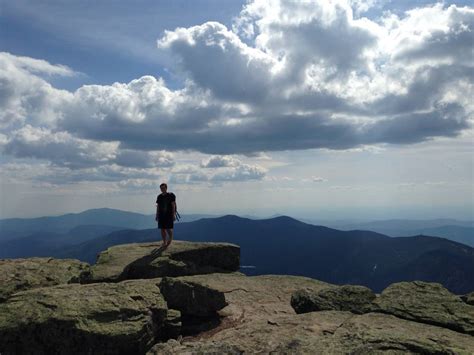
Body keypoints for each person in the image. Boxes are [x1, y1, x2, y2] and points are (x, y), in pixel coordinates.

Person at [155, 183, 177, 247]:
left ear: (166, 188)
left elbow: (173, 205)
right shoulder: (159, 196)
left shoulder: (171, 195)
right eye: (161, 188)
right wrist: (157, 215)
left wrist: (174, 214)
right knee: (162, 229)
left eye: (163, 188)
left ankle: (170, 238)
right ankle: (164, 242)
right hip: (161, 215)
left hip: (169, 215)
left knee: (168, 228)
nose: (162, 189)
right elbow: (158, 206)